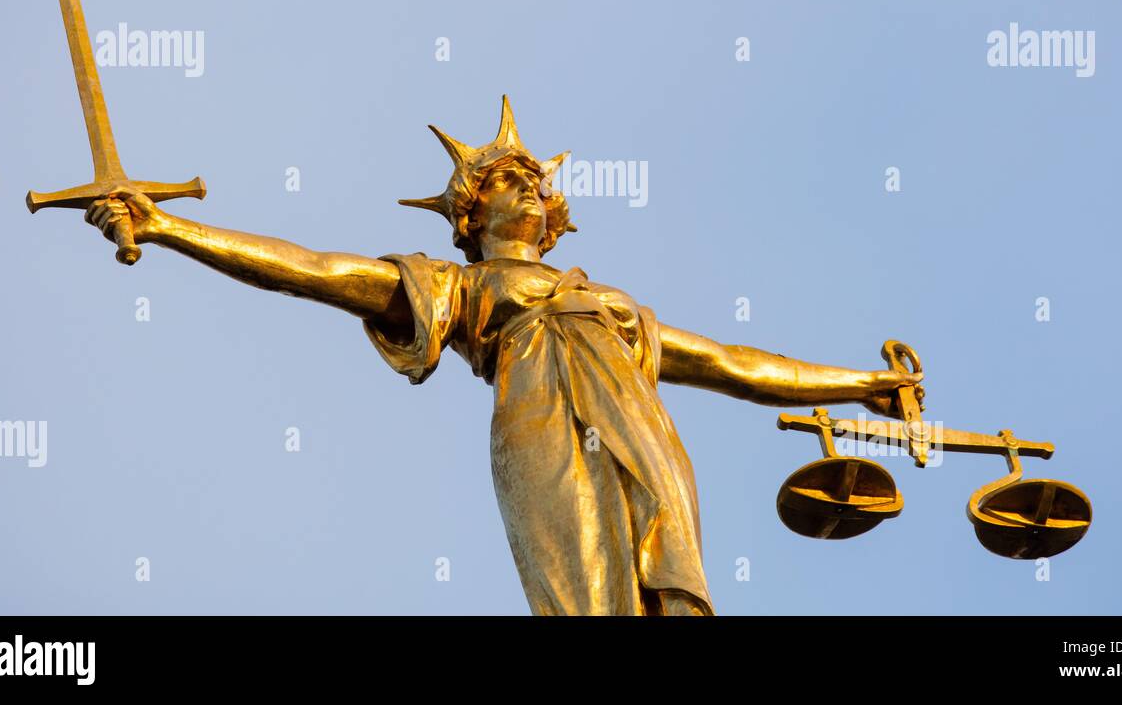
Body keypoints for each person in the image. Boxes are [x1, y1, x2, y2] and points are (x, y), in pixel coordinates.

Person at [86, 95, 923, 615]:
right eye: (506, 182)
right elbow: (314, 271)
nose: (527, 186)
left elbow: (735, 364)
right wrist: (170, 228)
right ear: (471, 214)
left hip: (644, 437)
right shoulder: (459, 287)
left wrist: (864, 384)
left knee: (661, 584)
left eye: (534, 180)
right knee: (586, 593)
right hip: (545, 437)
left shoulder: (613, 305)